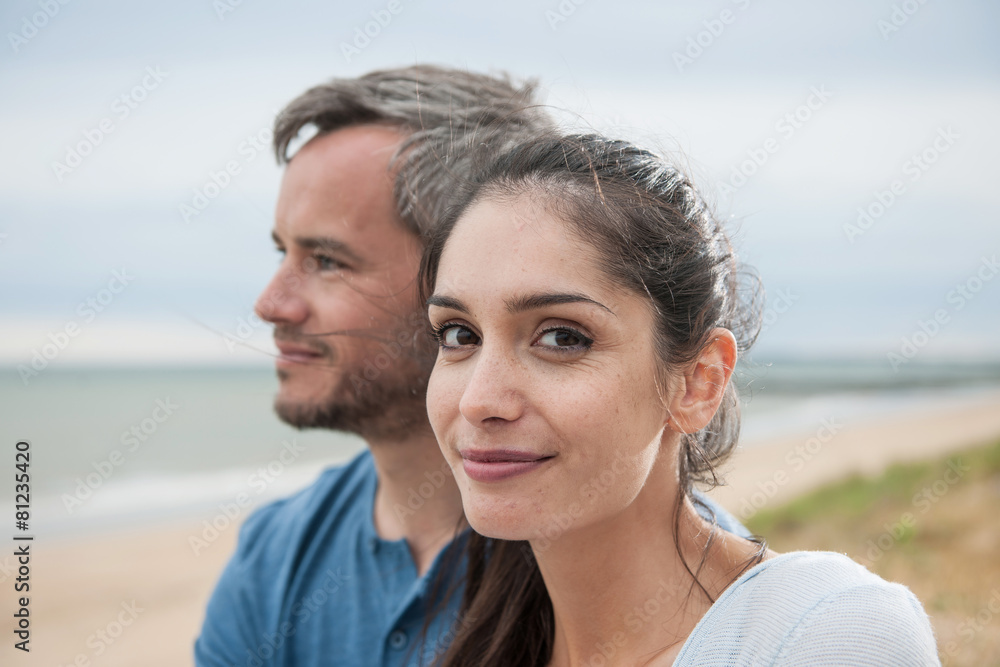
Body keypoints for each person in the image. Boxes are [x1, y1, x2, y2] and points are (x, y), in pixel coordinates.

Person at [195, 67, 750, 667]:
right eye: (284, 252)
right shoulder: (277, 553)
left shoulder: (695, 603)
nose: (271, 304)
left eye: (328, 260)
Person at [421, 134, 941, 666]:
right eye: (459, 335)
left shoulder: (821, 633)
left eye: (561, 338)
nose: (479, 401)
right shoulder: (474, 642)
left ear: (698, 382)